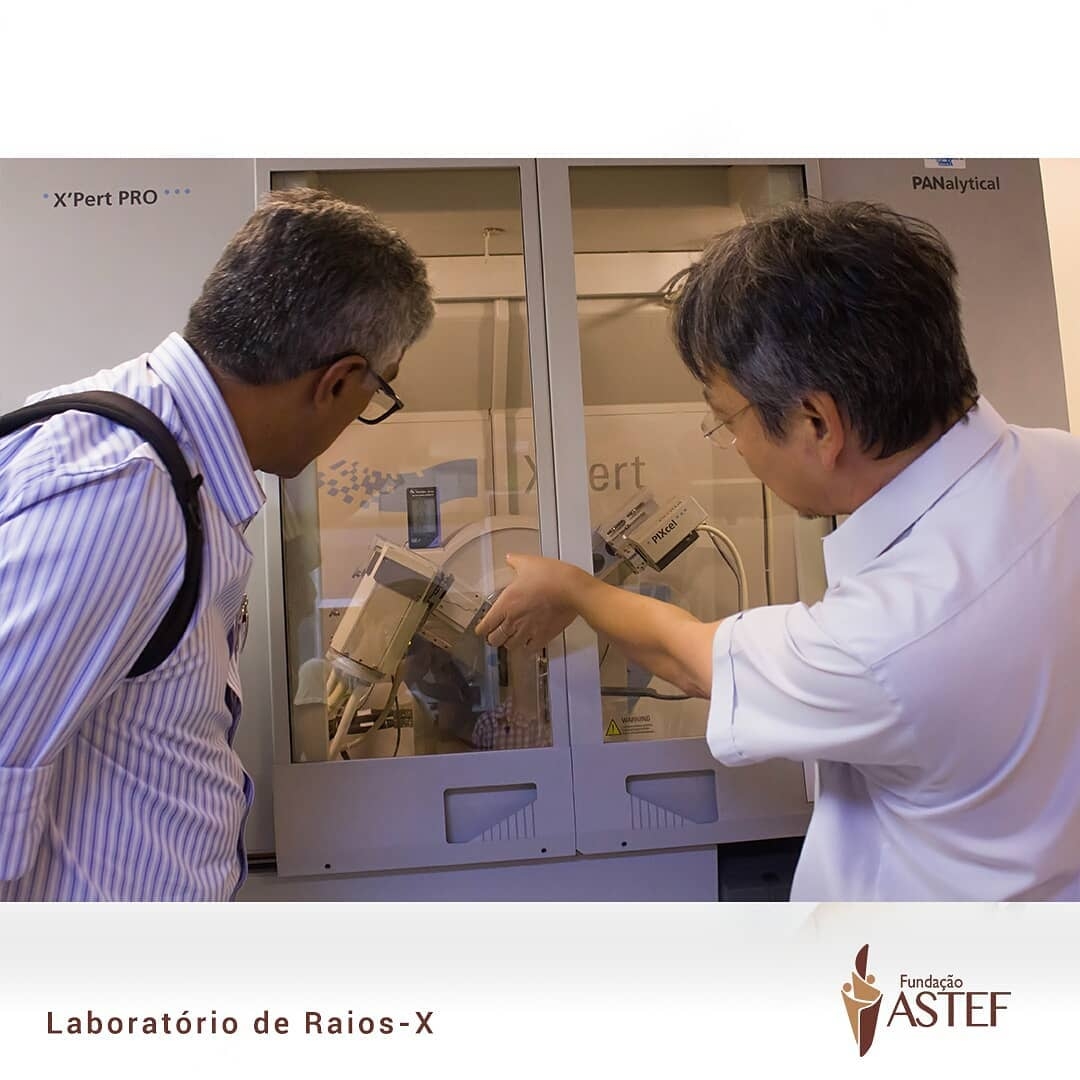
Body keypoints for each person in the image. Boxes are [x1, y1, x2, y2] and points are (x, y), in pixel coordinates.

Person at [476, 200, 1080, 901]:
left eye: (725, 418)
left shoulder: (884, 638)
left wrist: (574, 590)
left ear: (817, 423)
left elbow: (691, 658)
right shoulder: (1063, 463)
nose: (733, 445)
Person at [0, 188, 434, 900]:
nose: (364, 410)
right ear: (338, 381)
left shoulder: (167, 461)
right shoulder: (129, 495)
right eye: (376, 393)